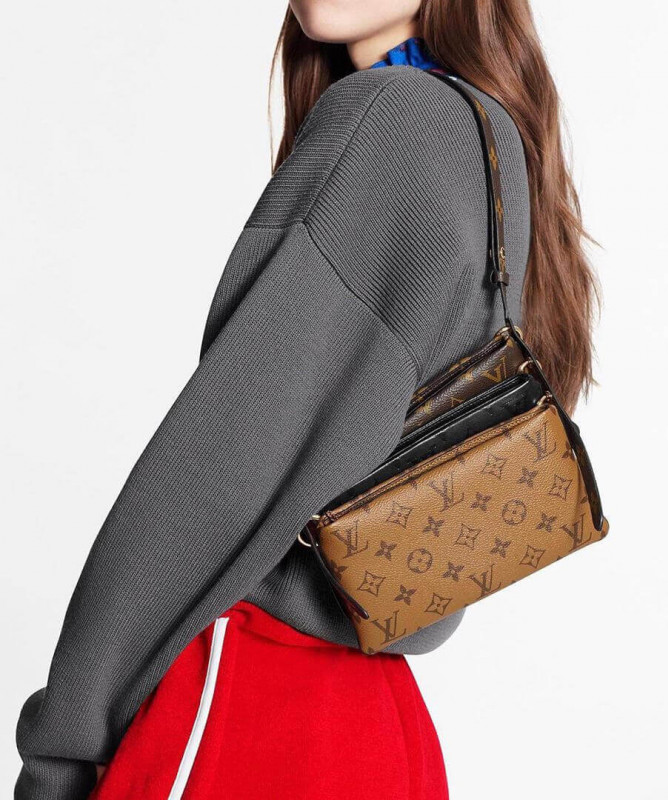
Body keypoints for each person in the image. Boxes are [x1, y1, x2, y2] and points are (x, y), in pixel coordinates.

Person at [15, 1, 598, 798]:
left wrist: (65, 745)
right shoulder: (487, 133)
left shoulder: (397, 120)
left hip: (245, 707)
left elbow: (226, 463)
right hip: (373, 724)